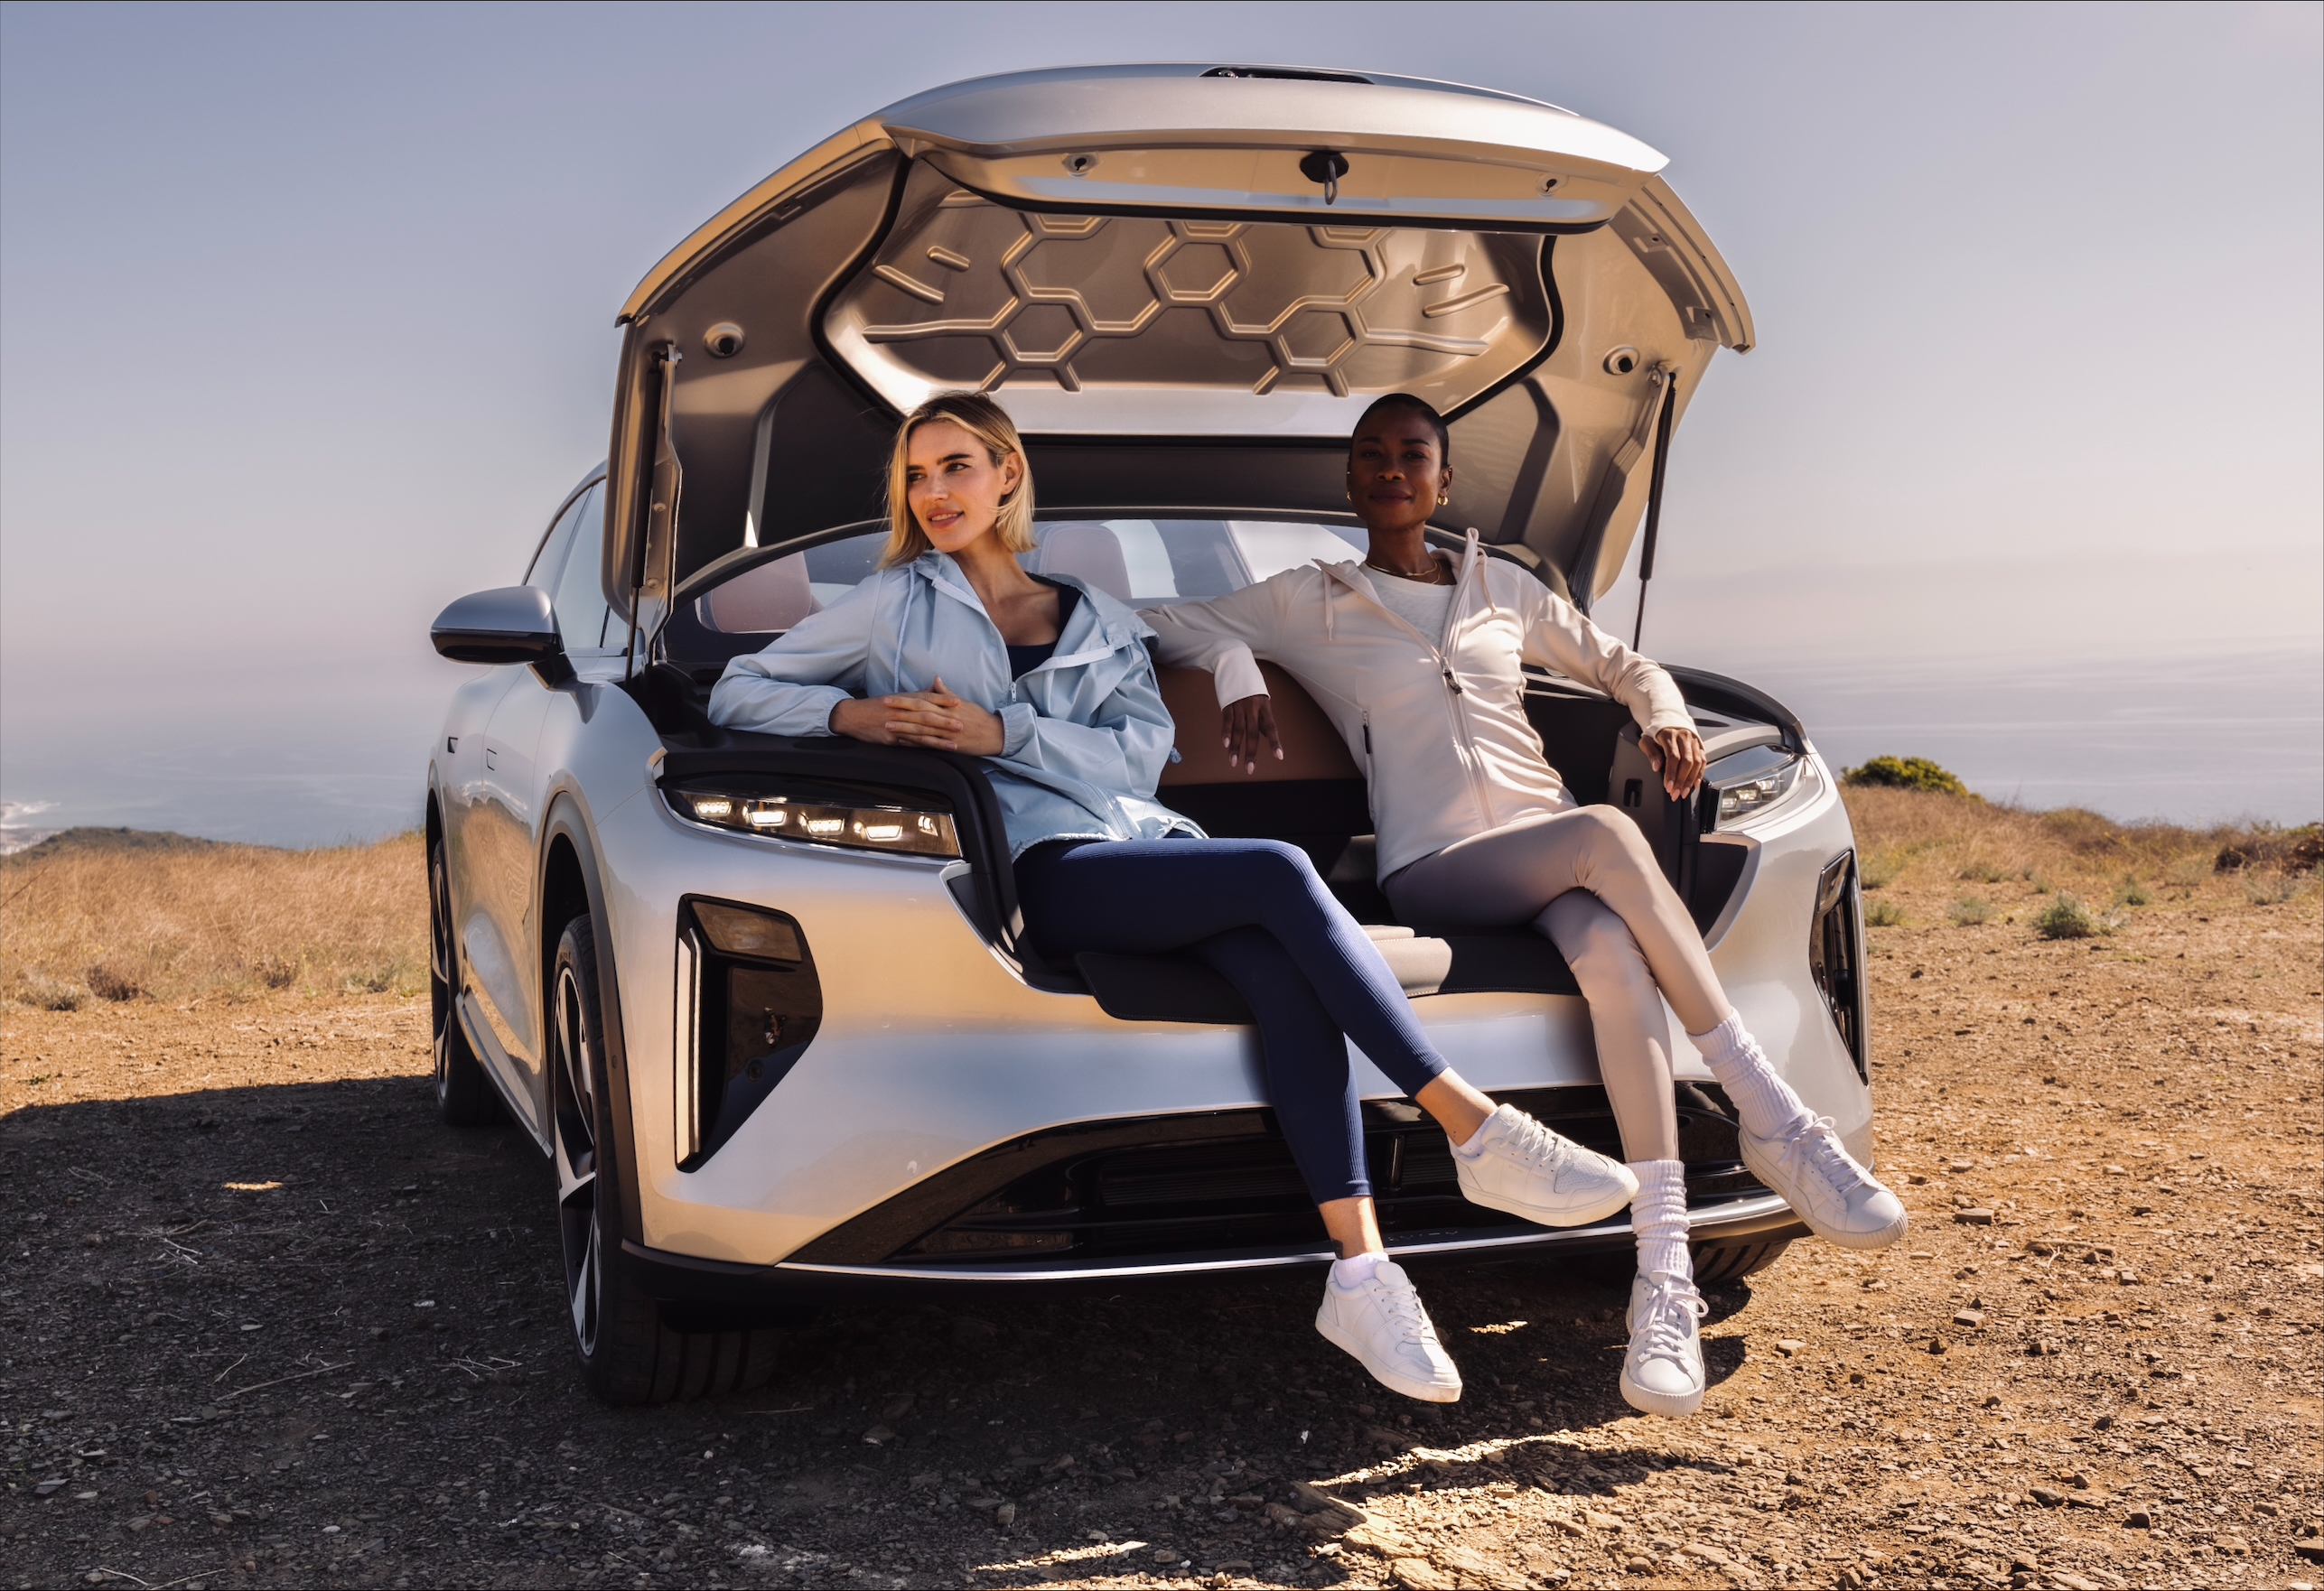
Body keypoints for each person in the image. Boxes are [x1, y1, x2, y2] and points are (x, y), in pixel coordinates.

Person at [707, 391, 1646, 1404]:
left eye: (956, 467)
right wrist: (857, 713)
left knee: (1283, 974)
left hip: (1143, 847)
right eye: (917, 474)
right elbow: (740, 689)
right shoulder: (894, 603)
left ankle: (1362, 1271)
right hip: (1037, 867)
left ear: (1006, 475)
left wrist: (1005, 733)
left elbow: (1141, 751)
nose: (934, 492)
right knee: (1278, 870)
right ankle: (1468, 1122)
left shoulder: (1099, 617)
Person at [1143, 392, 1908, 1417]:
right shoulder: (1306, 598)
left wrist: (1663, 713)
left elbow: (1620, 664)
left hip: (1547, 856)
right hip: (1437, 863)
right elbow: (1151, 621)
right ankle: (1768, 1110)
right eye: (1369, 455)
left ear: (1442, 479)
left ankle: (1661, 1271)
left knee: (1611, 955)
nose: (1389, 469)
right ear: (1350, 482)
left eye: (1410, 454)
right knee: (1604, 835)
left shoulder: (1498, 586)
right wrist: (1234, 661)